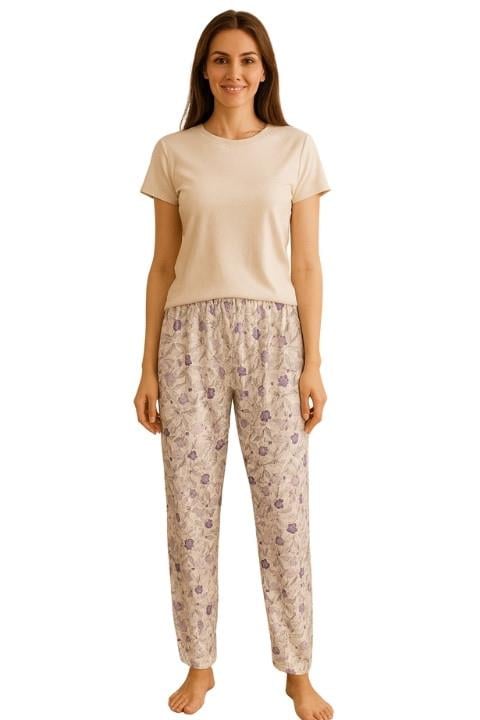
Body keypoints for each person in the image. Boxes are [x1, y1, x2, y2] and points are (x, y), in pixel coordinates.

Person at [133, 10, 334, 720]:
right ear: (204, 70)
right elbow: (162, 265)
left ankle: (297, 670)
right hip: (188, 337)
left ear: (265, 70)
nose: (234, 72)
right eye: (220, 59)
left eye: (247, 60)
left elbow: (306, 265)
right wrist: (147, 368)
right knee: (189, 509)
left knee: (285, 509)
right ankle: (200, 664)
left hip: (274, 339)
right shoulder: (174, 151)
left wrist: (313, 363)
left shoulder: (295, 149)